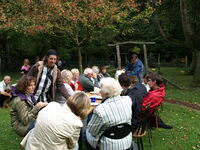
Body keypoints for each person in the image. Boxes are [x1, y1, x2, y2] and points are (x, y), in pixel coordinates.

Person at [21, 92, 91, 150]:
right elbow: (71, 145)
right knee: (76, 146)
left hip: (32, 145)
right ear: (83, 109)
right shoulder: (76, 123)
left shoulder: (52, 105)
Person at [86, 77, 133, 150]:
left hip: (108, 145)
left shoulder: (100, 110)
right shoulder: (128, 100)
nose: (99, 91)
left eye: (100, 89)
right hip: (126, 141)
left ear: (106, 93)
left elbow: (92, 132)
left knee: (86, 131)